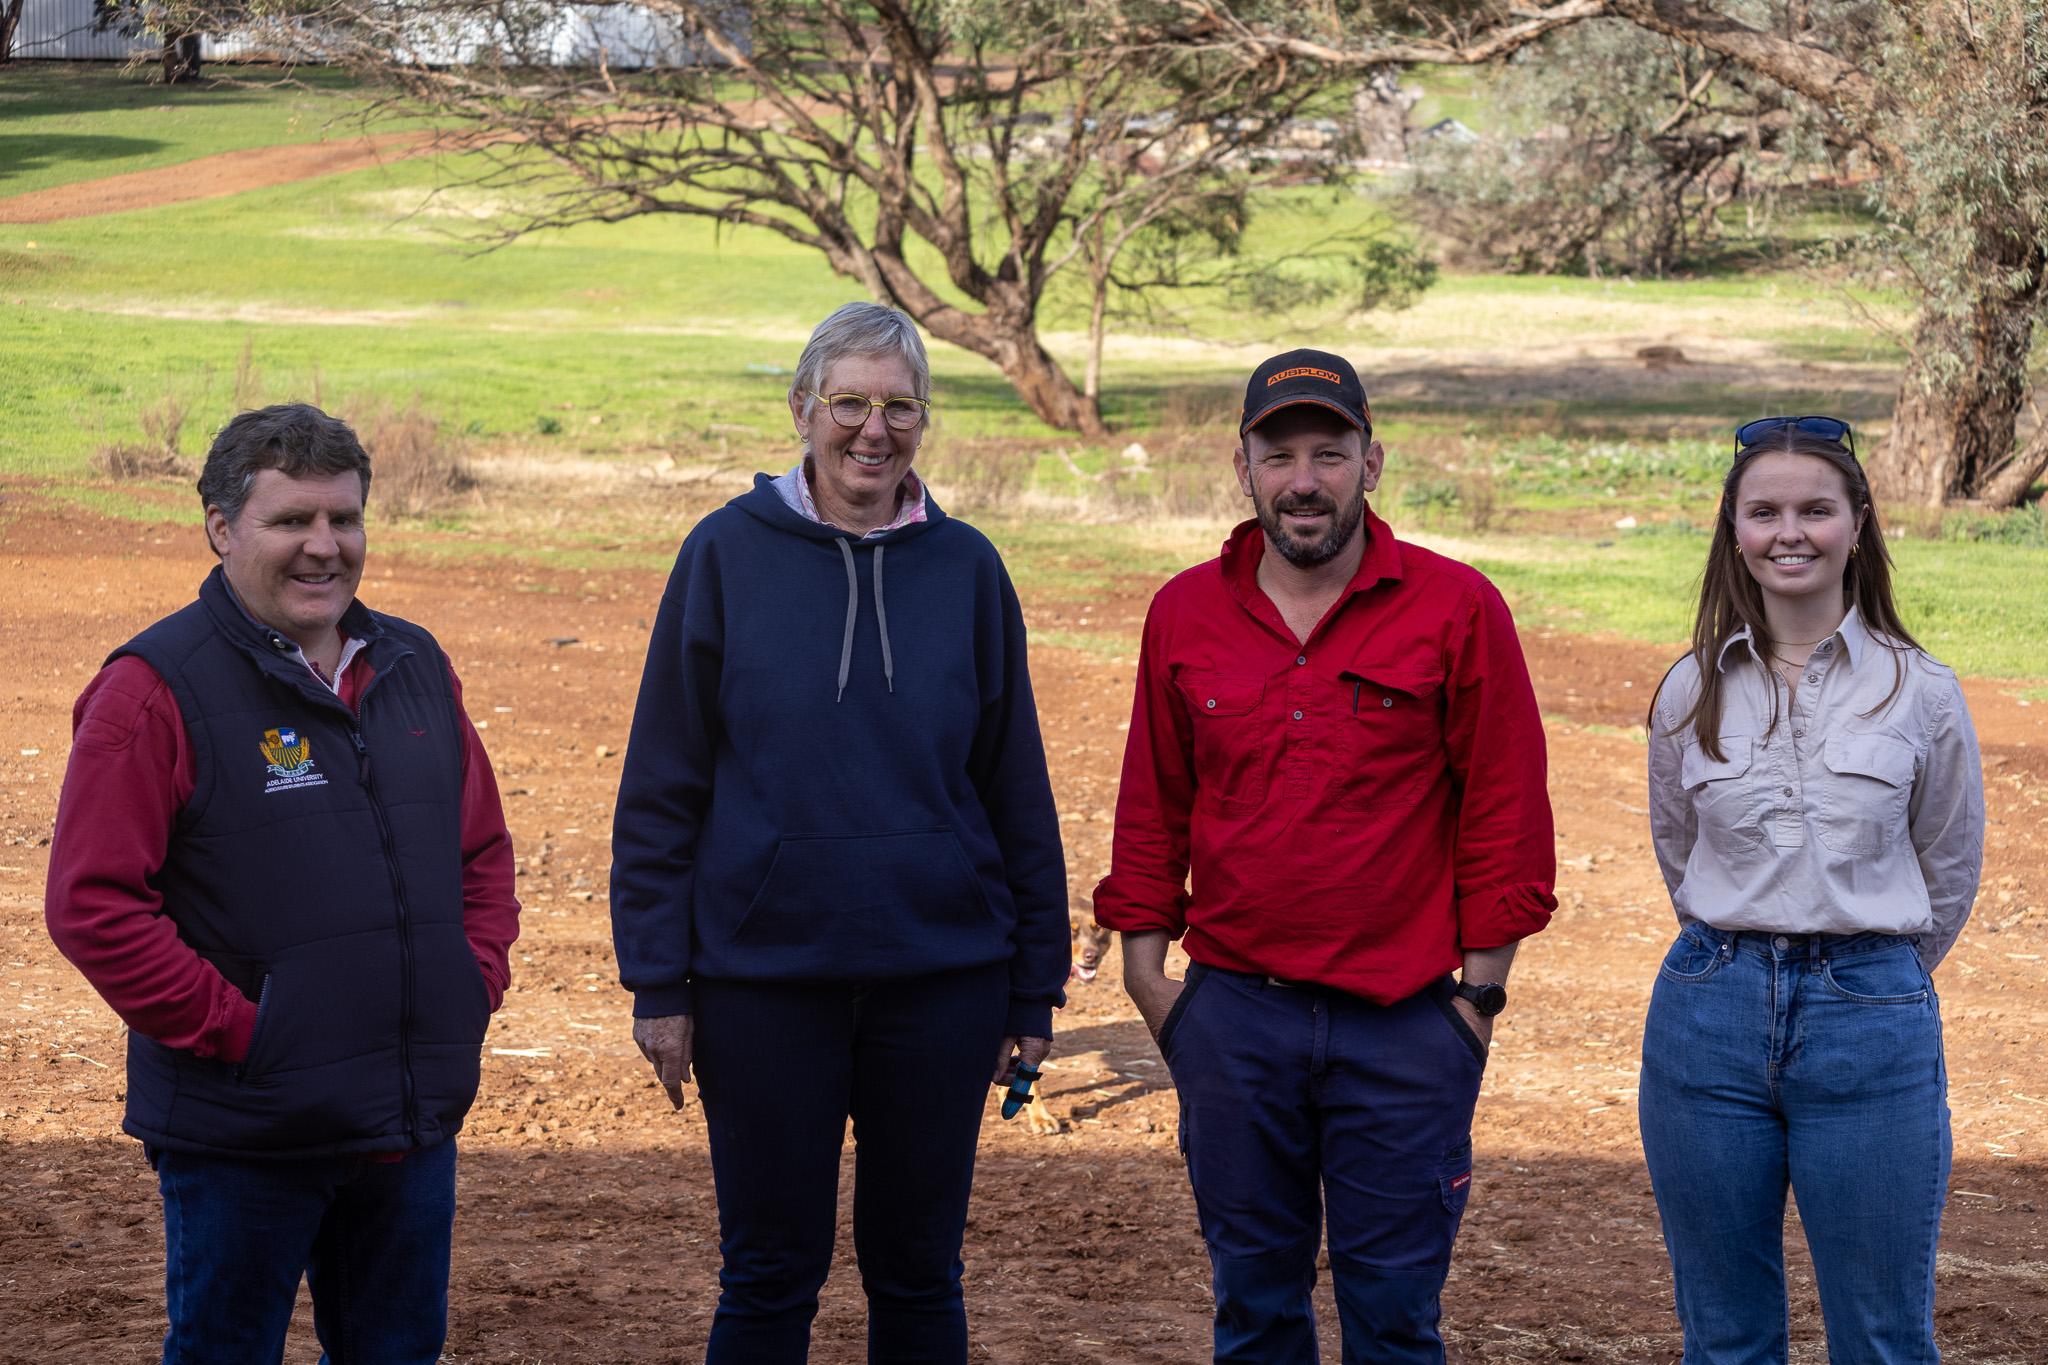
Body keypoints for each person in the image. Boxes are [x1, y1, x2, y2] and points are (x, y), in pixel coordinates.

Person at [610, 301, 1069, 1364]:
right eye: (850, 403)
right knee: (769, 1274)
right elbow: (663, 782)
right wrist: (659, 984)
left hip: (941, 978)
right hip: (762, 981)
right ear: (803, 408)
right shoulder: (724, 556)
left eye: (899, 407)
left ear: (924, 421)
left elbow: (1013, 789)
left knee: (918, 1274)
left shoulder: (967, 571)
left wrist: (1031, 985)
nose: (874, 430)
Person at [1094, 349, 1557, 1364]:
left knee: (1392, 1321)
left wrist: (1475, 1003)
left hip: (1402, 1029)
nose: (1303, 480)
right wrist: (1144, 973)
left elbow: (1503, 806)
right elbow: (1152, 800)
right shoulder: (1183, 610)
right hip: (1233, 1023)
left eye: (1328, 453)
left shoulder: (1454, 606)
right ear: (1242, 468)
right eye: (1278, 455)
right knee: (1253, 1312)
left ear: (1371, 461)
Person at [43, 403, 521, 1364]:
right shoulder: (152, 688)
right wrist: (245, 1032)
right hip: (246, 1135)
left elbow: (481, 851)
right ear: (221, 528)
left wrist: (468, 986)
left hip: (408, 1124)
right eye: (291, 520)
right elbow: (91, 903)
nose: (324, 547)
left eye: (343, 519)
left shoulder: (414, 663)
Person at [1641, 417, 1983, 1365]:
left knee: (1881, 1336)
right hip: (1707, 1013)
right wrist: (1744, 946)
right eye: (1765, 512)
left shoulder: (1921, 691)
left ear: (1858, 523)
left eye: (1815, 509)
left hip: (1870, 1019)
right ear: (1735, 530)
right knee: (1725, 1336)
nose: (1790, 532)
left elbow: (1948, 863)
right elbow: (1680, 847)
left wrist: (1870, 970)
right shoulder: (1689, 690)